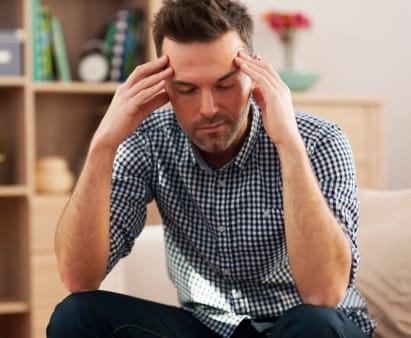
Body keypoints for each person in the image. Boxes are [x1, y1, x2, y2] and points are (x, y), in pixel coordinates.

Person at [47, 0, 375, 337]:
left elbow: (324, 293)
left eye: (224, 85)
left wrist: (289, 146)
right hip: (208, 328)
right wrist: (103, 146)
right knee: (77, 315)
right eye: (187, 89)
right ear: (164, 86)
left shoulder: (319, 140)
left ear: (254, 75)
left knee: (316, 325)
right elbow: (79, 278)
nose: (208, 109)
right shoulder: (148, 139)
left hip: (304, 325)